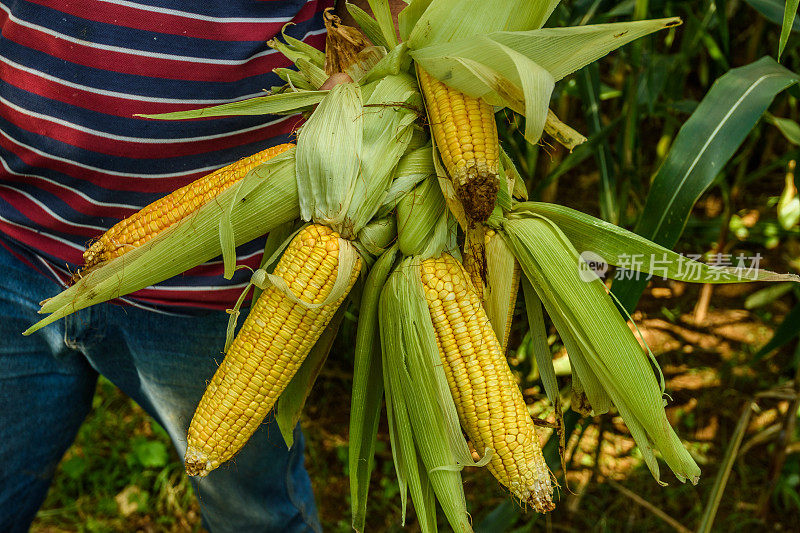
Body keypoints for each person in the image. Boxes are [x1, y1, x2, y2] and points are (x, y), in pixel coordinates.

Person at [0, 0, 396, 530]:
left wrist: (363, 71)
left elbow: (390, 18)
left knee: (251, 511)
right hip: (17, 238)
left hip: (213, 290)